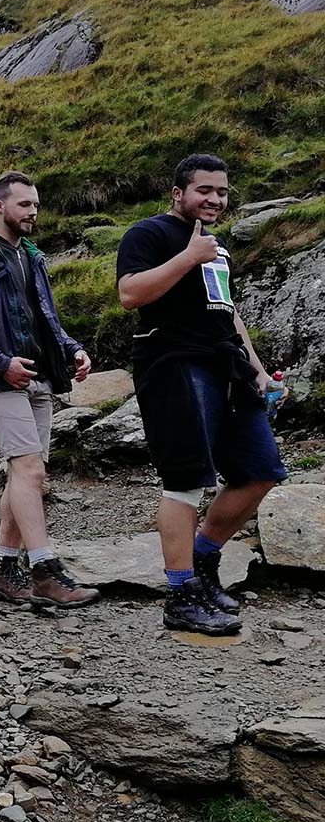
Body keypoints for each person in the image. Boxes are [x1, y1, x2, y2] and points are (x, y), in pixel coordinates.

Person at [117, 153, 287, 636]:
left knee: (261, 471)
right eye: (204, 190)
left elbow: (226, 310)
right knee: (186, 480)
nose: (215, 199)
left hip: (226, 366)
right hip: (173, 363)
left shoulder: (218, 244)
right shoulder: (148, 233)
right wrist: (189, 256)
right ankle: (181, 594)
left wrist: (259, 372)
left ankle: (203, 562)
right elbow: (130, 294)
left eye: (222, 192)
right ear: (179, 193)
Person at [0, 170, 100, 608]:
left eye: (35, 205)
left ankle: (1, 568)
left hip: (38, 377)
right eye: (24, 205)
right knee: (30, 472)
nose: (33, 212)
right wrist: (1, 363)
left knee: (25, 477)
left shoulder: (32, 256)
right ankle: (45, 570)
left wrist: (72, 348)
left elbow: (45, 316)